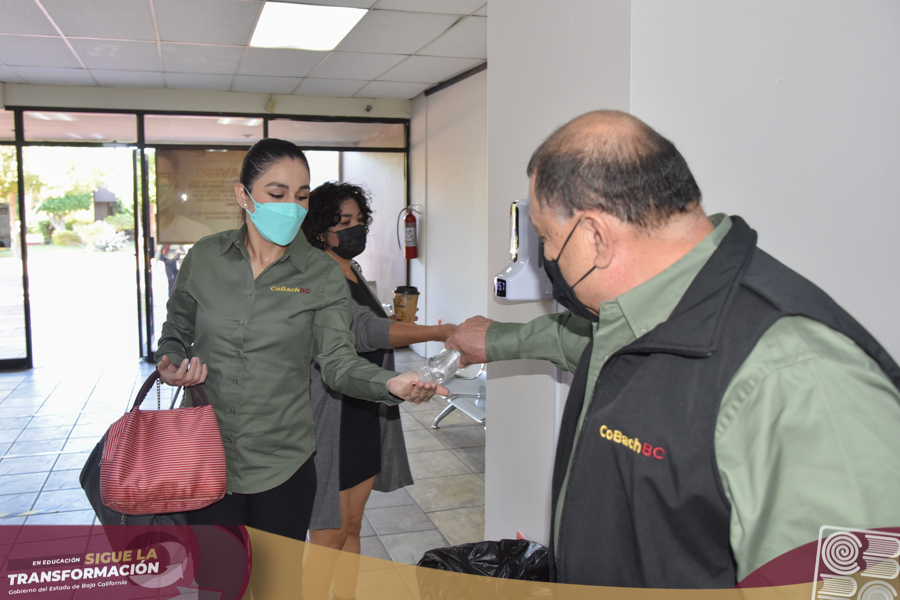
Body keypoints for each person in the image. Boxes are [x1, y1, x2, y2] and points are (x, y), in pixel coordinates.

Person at [446, 110, 900, 589]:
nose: (549, 259)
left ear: (596, 237)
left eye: (548, 240)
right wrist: (494, 339)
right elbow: (580, 341)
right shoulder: (642, 313)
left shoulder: (798, 378)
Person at [154, 139, 448, 541]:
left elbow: (338, 362)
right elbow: (177, 327)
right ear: (243, 196)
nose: (291, 206)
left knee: (278, 574)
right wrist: (171, 360)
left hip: (283, 464)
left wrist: (390, 384)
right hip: (206, 455)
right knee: (219, 572)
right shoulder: (205, 257)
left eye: (302, 195)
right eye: (277, 194)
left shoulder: (320, 274)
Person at [301, 182, 456, 600]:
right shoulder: (318, 275)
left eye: (359, 220)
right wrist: (439, 331)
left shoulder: (351, 270)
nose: (356, 229)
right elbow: (364, 330)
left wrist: (399, 324)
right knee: (328, 535)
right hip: (332, 417)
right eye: (343, 222)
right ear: (319, 229)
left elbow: (373, 324)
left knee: (353, 527)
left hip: (365, 413)